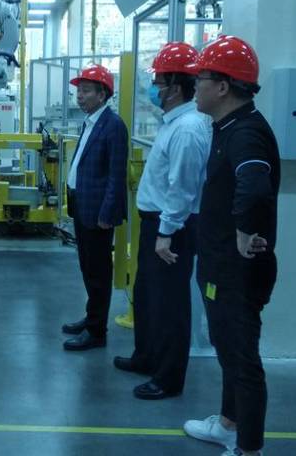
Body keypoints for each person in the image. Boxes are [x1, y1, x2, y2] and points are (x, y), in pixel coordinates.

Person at [182, 36, 280, 456]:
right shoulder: (228, 127)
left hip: (237, 272)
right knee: (227, 350)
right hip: (220, 266)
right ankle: (228, 425)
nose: (195, 86)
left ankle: (249, 448)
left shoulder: (247, 133)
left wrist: (244, 229)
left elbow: (254, 186)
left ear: (223, 86)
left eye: (201, 78)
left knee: (242, 360)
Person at [113, 42, 211, 400]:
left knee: (170, 304)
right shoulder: (173, 123)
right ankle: (147, 357)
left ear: (175, 87)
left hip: (172, 228)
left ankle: (168, 378)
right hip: (156, 223)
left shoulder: (187, 129)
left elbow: (182, 188)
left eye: (157, 81)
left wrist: (166, 232)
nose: (152, 87)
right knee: (148, 295)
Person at [62, 64, 129, 351]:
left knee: (98, 272)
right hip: (83, 206)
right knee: (88, 267)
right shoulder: (90, 122)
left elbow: (116, 175)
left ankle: (97, 331)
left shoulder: (113, 126)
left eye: (86, 91)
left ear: (102, 95)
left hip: (98, 213)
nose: (80, 96)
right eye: (78, 91)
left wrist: (107, 214)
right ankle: (92, 318)